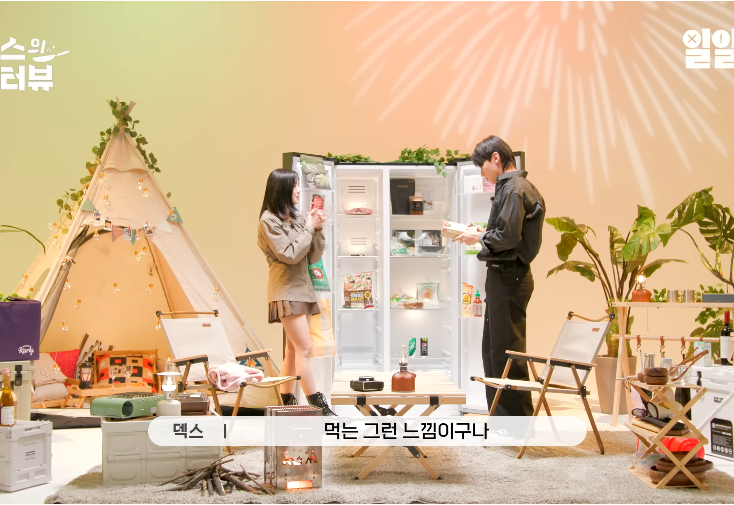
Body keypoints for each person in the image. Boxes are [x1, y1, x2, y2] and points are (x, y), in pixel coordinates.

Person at [453, 135, 545, 416]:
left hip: (510, 276)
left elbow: (507, 237)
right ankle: (501, 419)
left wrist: (479, 236)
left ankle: (515, 423)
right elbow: (509, 232)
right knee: (494, 351)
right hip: (504, 277)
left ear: (495, 158)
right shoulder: (511, 188)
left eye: (482, 168)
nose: (483, 176)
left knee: (507, 354)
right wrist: (480, 232)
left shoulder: (514, 188)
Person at [257, 168, 336, 415]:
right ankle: (318, 406)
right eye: (295, 185)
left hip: (303, 289)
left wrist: (317, 228)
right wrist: (309, 228)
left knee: (292, 350)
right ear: (281, 189)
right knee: (305, 349)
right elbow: (289, 255)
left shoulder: (296, 217)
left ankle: (286, 403)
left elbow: (311, 257)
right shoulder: (268, 221)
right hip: (286, 291)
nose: (299, 190)